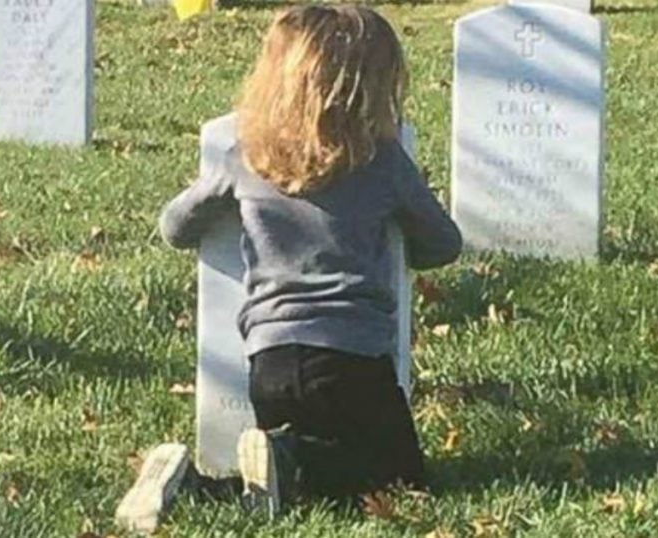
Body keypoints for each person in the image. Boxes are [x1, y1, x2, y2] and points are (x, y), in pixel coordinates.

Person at [159, 5, 462, 515]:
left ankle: (198, 486)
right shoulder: (382, 160)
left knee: (300, 488)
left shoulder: (244, 157)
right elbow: (443, 245)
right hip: (352, 360)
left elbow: (175, 227)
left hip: (269, 361)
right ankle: (290, 456)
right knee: (398, 478)